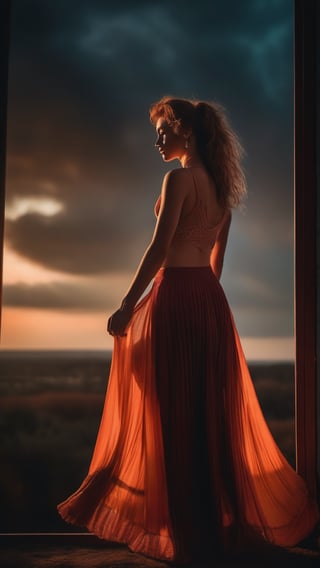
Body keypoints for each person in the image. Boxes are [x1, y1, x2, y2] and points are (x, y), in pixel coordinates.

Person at [58, 96, 319, 564]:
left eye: (164, 130)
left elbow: (159, 247)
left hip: (177, 296)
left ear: (187, 132)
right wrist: (197, 300)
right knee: (207, 414)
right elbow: (216, 266)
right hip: (209, 302)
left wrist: (126, 305)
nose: (157, 140)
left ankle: (183, 532)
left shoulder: (177, 179)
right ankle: (209, 524)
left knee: (171, 412)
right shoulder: (222, 191)